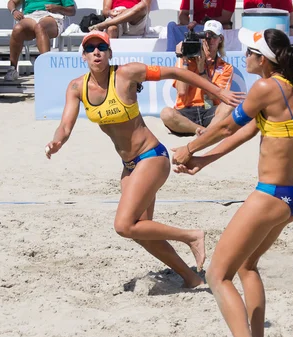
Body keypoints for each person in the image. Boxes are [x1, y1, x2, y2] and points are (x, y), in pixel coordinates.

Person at [172, 28, 293, 337]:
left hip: (272, 195)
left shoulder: (266, 88)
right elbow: (248, 132)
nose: (245, 58)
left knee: (217, 275)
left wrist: (188, 149)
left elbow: (223, 126)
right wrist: (204, 161)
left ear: (262, 59)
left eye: (250, 52)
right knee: (248, 267)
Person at [44, 31, 243, 288]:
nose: (96, 52)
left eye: (101, 47)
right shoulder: (76, 87)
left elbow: (177, 73)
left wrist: (218, 91)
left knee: (124, 225)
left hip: (151, 157)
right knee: (141, 231)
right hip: (129, 166)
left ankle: (191, 236)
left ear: (109, 53)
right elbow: (65, 126)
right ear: (83, 56)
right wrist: (57, 141)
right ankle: (191, 277)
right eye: (90, 48)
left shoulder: (127, 73)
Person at [160, 20, 234, 137]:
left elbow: (215, 96)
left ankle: (205, 131)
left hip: (209, 111)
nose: (209, 40)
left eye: (213, 37)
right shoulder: (185, 60)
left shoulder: (225, 67)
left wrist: (201, 70)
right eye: (206, 36)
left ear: (221, 39)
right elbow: (182, 91)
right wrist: (184, 61)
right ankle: (202, 131)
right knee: (166, 113)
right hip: (185, 112)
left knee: (229, 107)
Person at [5, 0, 76, 81]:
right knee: (17, 29)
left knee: (40, 27)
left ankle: (47, 70)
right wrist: (14, 11)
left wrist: (58, 8)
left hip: (52, 16)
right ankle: (12, 69)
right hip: (30, 16)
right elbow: (12, 2)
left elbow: (72, 10)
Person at [166, 0, 235, 52]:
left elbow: (226, 18)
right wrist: (189, 25)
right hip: (194, 28)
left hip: (213, 28)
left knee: (223, 28)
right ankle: (171, 56)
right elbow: (182, 15)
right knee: (171, 25)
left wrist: (208, 23)